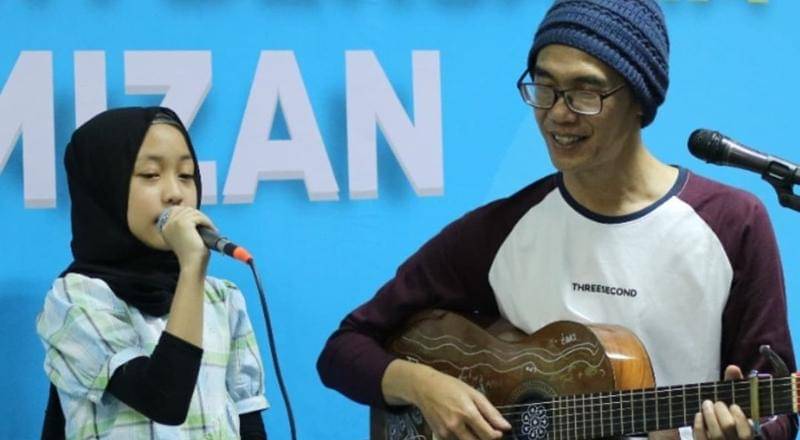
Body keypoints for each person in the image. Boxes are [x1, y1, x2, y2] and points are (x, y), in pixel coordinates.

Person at [316, 1, 797, 439]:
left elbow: (779, 410)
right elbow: (345, 348)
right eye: (544, 88)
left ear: (639, 99)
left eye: (585, 93)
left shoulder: (732, 223)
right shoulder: (503, 229)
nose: (557, 114)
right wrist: (424, 386)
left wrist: (750, 435)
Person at [36, 107, 269, 439]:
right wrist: (192, 267)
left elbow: (249, 422)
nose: (175, 193)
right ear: (106, 187)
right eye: (150, 174)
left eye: (186, 175)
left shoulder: (223, 298)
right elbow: (164, 399)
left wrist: (192, 275)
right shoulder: (76, 300)